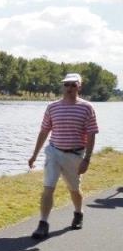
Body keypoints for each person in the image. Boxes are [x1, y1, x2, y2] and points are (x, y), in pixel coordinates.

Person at [28, 73, 99, 239]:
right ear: (63, 86)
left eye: (73, 85)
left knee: (74, 189)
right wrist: (34, 155)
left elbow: (91, 135)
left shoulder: (87, 107)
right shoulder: (52, 107)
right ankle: (43, 223)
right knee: (48, 188)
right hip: (54, 152)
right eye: (66, 84)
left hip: (75, 155)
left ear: (79, 86)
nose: (69, 88)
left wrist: (87, 159)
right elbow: (44, 131)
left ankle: (78, 212)